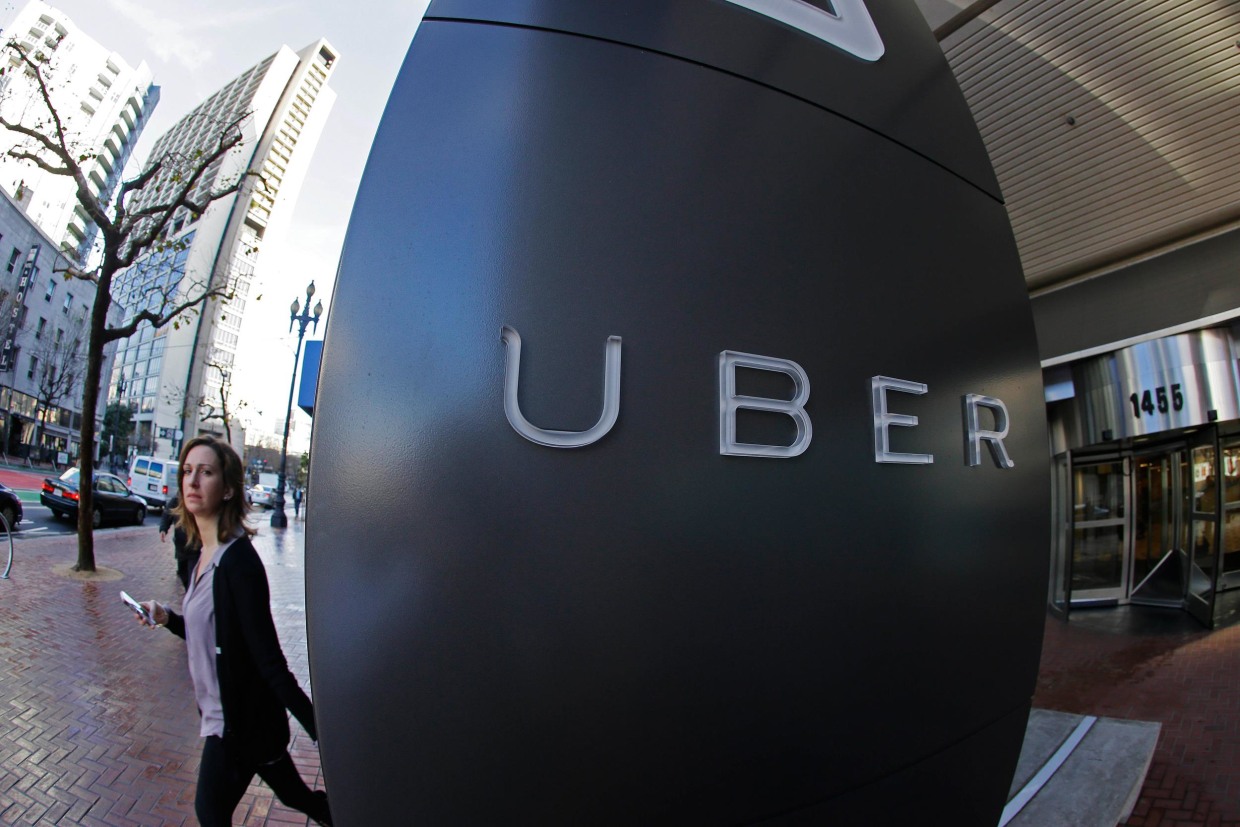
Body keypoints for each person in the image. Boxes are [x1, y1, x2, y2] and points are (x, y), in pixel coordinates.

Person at [136, 436, 332, 826]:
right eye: (187, 471)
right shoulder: (200, 555)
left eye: (205, 472)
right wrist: (166, 617)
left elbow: (269, 660)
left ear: (227, 489)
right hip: (230, 720)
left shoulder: (239, 563)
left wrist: (319, 732)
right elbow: (214, 637)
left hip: (240, 725)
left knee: (210, 811)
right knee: (295, 796)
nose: (192, 481)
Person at [158, 493, 195, 589]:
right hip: (181, 547)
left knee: (192, 577)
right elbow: (167, 513)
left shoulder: (196, 500)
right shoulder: (176, 499)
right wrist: (163, 529)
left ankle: (191, 593)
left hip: (195, 547)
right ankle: (189, 592)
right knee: (183, 573)